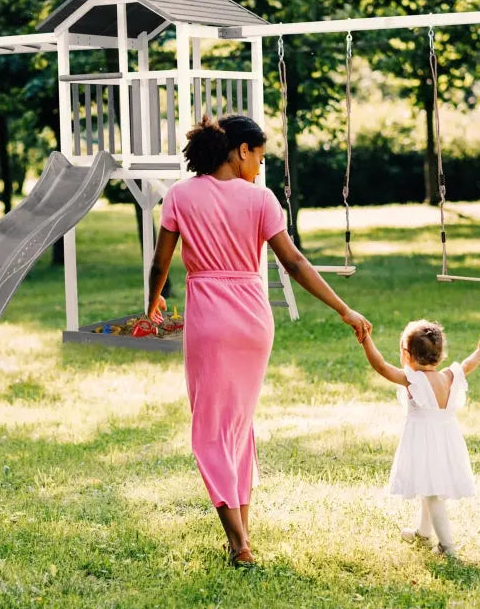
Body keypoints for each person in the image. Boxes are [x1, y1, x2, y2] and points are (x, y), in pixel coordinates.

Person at [147, 115, 372, 567]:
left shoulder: (180, 195)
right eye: (261, 156)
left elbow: (161, 263)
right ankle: (242, 534)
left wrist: (151, 304)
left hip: (210, 319)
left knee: (211, 430)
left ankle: (238, 544)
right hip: (253, 320)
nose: (260, 167)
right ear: (241, 150)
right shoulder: (261, 200)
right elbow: (294, 263)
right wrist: (342, 308)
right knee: (237, 427)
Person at [360, 320, 480, 556]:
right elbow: (468, 364)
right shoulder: (449, 376)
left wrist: (365, 340)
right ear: (441, 355)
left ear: (407, 354)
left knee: (433, 495)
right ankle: (423, 533)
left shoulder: (413, 380)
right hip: (446, 442)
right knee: (427, 486)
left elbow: (381, 366)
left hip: (425, 444)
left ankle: (448, 546)